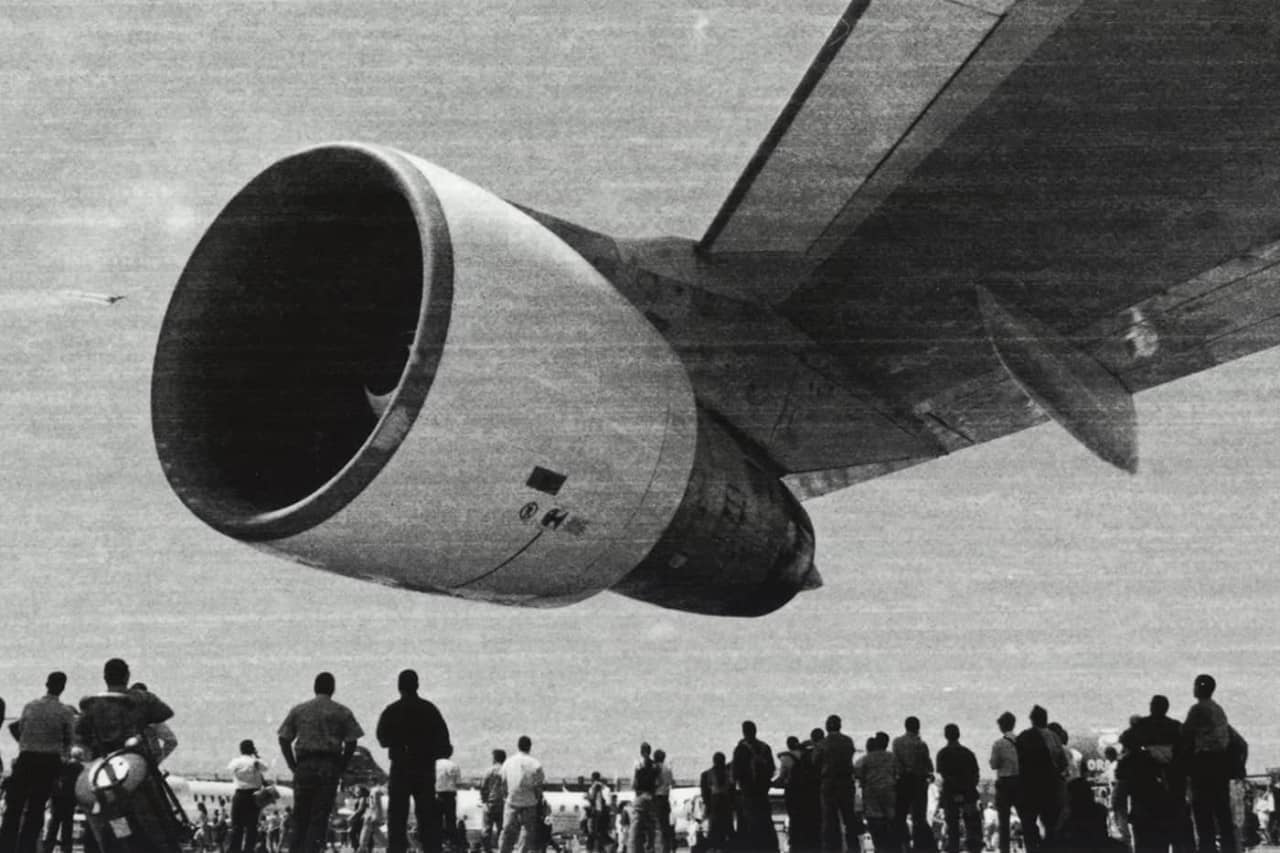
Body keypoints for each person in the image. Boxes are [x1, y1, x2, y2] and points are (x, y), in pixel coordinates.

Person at [278, 672, 364, 853]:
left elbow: (284, 738)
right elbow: (352, 741)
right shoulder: (342, 711)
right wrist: (341, 765)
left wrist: (292, 765)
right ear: (332, 689)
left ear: (315, 688)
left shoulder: (299, 710)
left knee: (300, 816)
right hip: (328, 767)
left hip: (304, 766)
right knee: (319, 817)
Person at [375, 669, 451, 853]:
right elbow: (445, 746)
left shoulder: (392, 710)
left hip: (400, 768)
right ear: (417, 685)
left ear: (399, 687)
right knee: (427, 816)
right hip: (424, 769)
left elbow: (382, 739)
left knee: (397, 817)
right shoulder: (430, 710)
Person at [1, 672, 76, 853]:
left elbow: (20, 728)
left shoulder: (30, 707)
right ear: (63, 687)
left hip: (26, 758)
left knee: (14, 807)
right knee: (36, 808)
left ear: (46, 684)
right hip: (48, 762)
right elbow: (69, 739)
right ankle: (26, 848)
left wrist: (28, 743)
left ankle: (5, 846)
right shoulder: (65, 712)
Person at [1182, 674, 1234, 853]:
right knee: (1222, 811)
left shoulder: (1197, 709)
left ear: (1199, 687)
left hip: (1203, 764)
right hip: (1220, 765)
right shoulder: (1219, 709)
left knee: (1203, 813)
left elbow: (1185, 734)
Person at [1014, 705, 1066, 852]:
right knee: (1051, 826)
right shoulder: (1054, 737)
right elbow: (1063, 763)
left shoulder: (1023, 737)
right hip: (1051, 787)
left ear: (1031, 720)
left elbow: (1016, 763)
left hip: (1028, 788)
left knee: (1029, 826)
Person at [812, 715, 858, 853]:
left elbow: (815, 761)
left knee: (829, 820)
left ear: (827, 726)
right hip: (846, 782)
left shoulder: (823, 743)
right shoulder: (848, 741)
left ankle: (832, 849)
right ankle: (854, 848)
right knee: (849, 818)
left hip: (829, 783)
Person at [891, 717, 936, 853]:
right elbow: (929, 766)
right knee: (919, 817)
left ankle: (902, 845)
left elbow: (896, 763)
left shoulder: (897, 742)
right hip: (918, 781)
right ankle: (920, 847)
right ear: (917, 727)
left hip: (903, 781)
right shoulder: (921, 744)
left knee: (900, 816)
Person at [733, 721, 778, 852]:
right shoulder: (765, 747)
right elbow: (772, 769)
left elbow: (736, 772)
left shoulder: (740, 749)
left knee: (748, 822)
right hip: (762, 792)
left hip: (747, 791)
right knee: (765, 821)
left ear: (744, 732)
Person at [936, 725, 982, 853]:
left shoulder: (943, 753)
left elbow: (944, 775)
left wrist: (956, 790)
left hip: (951, 793)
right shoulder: (968, 753)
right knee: (972, 826)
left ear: (946, 735)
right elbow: (976, 774)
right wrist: (967, 789)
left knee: (952, 828)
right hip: (968, 793)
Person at [498, 736, 545, 853]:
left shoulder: (508, 762)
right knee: (527, 833)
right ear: (529, 747)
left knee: (507, 831)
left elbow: (502, 783)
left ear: (518, 746)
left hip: (512, 801)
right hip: (529, 802)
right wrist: (537, 798)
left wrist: (506, 797)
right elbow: (539, 785)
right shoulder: (535, 763)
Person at [854, 735, 898, 853]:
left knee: (875, 822)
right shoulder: (892, 757)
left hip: (872, 793)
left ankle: (879, 848)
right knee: (890, 822)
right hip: (889, 792)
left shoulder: (866, 759)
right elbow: (899, 773)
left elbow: (857, 774)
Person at [228, 739, 270, 853]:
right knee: (252, 827)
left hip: (239, 794)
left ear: (240, 749)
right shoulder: (256, 762)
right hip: (254, 796)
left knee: (237, 826)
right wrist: (256, 755)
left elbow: (229, 769)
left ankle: (234, 850)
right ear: (252, 749)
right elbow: (266, 767)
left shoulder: (235, 762)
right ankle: (248, 850)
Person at [42, 746, 84, 853]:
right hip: (70, 800)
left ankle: (47, 848)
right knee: (67, 826)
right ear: (80, 756)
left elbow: (55, 781)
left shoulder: (64, 766)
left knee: (53, 826)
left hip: (58, 799)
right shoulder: (81, 768)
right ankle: (66, 849)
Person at [989, 712, 1020, 853]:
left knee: (1004, 823)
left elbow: (994, 764)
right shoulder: (1021, 741)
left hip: (1004, 783)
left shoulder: (998, 744)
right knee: (1026, 819)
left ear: (1001, 726)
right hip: (1019, 782)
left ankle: (1005, 850)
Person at [629, 743, 663, 853]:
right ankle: (651, 849)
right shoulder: (655, 766)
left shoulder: (638, 764)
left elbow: (633, 784)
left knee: (635, 830)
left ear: (641, 752)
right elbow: (659, 782)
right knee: (652, 829)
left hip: (640, 797)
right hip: (652, 797)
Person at [699, 753, 733, 853]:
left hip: (715, 803)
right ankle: (720, 847)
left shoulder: (707, 774)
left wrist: (707, 804)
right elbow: (732, 791)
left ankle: (715, 847)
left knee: (715, 827)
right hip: (723, 803)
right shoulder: (729, 774)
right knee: (723, 827)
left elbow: (704, 792)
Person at [436, 745, 463, 852]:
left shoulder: (433, 764)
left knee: (436, 821)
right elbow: (458, 783)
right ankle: (452, 845)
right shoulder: (454, 766)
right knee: (450, 821)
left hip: (435, 795)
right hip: (449, 796)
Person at [482, 750, 508, 853]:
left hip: (490, 803)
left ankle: (487, 850)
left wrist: (484, 801)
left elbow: (483, 787)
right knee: (501, 830)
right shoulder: (506, 771)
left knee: (486, 829)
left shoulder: (489, 771)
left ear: (495, 758)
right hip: (503, 803)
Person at [654, 750, 676, 853]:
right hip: (665, 798)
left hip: (656, 798)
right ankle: (666, 848)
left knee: (656, 826)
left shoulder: (654, 768)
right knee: (665, 825)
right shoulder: (668, 768)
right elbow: (672, 782)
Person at [585, 772, 612, 853]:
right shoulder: (606, 788)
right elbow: (608, 803)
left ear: (592, 778)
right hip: (604, 814)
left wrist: (587, 797)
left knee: (593, 833)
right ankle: (603, 848)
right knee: (601, 833)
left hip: (596, 814)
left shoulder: (594, 787)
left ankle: (593, 849)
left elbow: (593, 800)